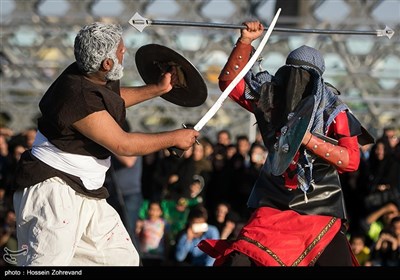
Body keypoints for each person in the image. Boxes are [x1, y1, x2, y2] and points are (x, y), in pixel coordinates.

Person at [12, 22, 199, 266]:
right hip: (53, 191)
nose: (125, 53)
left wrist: (157, 89)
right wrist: (174, 138)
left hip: (85, 191)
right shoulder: (76, 96)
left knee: (122, 259)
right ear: (107, 64)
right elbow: (123, 145)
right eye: (121, 51)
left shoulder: (91, 75)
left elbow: (110, 101)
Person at [198, 21, 374, 266]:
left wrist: (308, 139)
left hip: (318, 209)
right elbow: (230, 82)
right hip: (272, 204)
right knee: (239, 261)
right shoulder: (270, 98)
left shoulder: (333, 111)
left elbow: (351, 161)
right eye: (292, 75)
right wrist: (246, 42)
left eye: (303, 78)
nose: (295, 83)